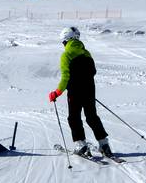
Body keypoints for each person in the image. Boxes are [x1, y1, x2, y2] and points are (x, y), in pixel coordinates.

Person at [48, 26, 114, 158]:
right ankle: (104, 144)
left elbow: (65, 77)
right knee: (92, 117)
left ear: (66, 40)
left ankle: (81, 145)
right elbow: (93, 71)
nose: (63, 44)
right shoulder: (86, 53)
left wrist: (56, 93)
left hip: (75, 92)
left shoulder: (66, 55)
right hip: (89, 89)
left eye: (63, 42)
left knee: (74, 118)